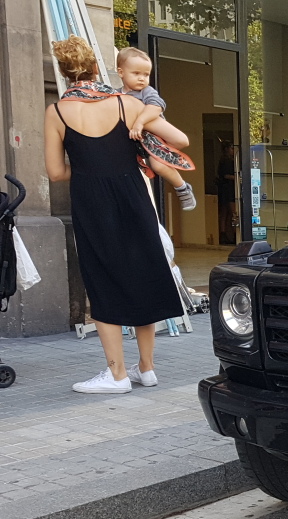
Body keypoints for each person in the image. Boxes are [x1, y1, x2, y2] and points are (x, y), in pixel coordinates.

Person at [45, 37, 187, 393]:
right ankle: (147, 368)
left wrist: (89, 166)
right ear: (98, 69)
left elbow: (55, 173)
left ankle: (117, 374)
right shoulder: (126, 102)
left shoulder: (57, 112)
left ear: (64, 73)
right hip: (132, 196)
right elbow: (180, 140)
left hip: (91, 203)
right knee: (143, 273)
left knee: (103, 281)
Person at [114, 47, 197, 211]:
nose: (142, 79)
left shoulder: (146, 91)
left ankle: (182, 188)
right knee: (153, 165)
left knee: (159, 165)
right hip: (138, 141)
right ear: (121, 72)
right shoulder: (116, 95)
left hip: (155, 136)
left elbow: (157, 106)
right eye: (136, 73)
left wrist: (140, 122)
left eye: (146, 75)